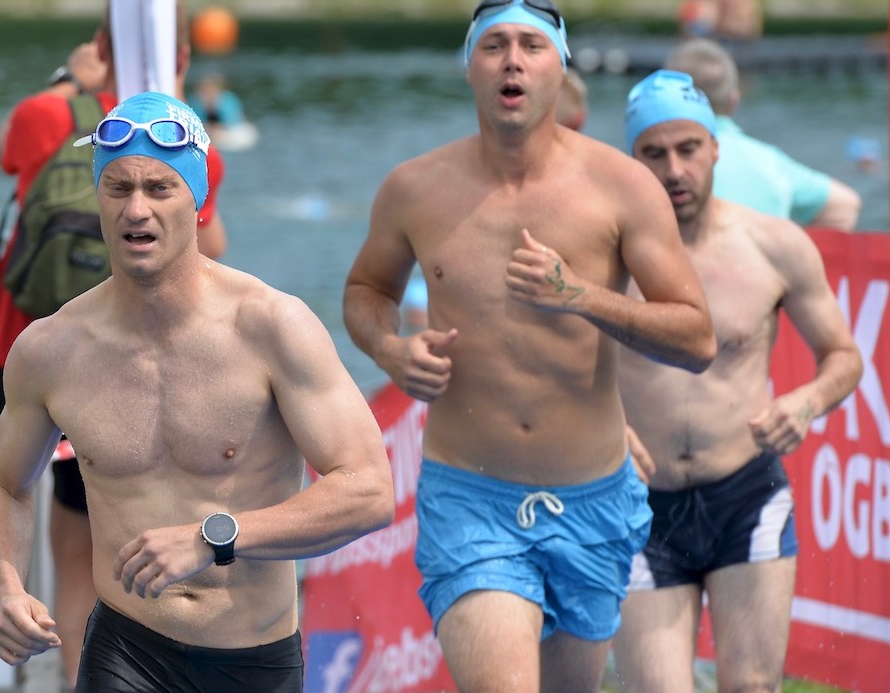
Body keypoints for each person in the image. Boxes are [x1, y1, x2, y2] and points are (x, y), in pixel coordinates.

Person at [342, 2, 717, 691]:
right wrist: (390, 350)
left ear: (559, 65)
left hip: (594, 497)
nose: (512, 59)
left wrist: (581, 295)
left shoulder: (622, 186)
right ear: (471, 68)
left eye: (531, 45)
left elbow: (696, 337)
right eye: (494, 46)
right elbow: (366, 290)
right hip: (471, 499)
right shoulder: (415, 188)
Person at [0, 90, 394, 693]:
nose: (135, 209)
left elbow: (370, 490)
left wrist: (213, 537)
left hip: (253, 659)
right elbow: (6, 487)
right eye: (117, 188)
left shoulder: (272, 327)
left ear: (196, 199)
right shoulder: (50, 349)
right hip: (126, 650)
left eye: (158, 188)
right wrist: (7, 590)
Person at [0, 3, 227, 691]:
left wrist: (69, 80)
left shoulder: (49, 117)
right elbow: (211, 248)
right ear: (179, 59)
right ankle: (75, 678)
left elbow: (1, 143)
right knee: (79, 542)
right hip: (117, 367)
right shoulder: (188, 142)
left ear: (101, 44)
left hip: (11, 353)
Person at [613, 69, 863, 693]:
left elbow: (843, 355)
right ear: (633, 159)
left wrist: (807, 400)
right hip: (641, 505)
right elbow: (552, 366)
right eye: (654, 154)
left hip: (746, 495)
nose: (674, 170)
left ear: (716, 147)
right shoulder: (607, 260)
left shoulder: (775, 247)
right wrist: (607, 431)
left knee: (753, 686)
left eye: (688, 149)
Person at [666, 37, 862, 231]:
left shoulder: (653, 167)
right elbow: (845, 206)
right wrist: (796, 254)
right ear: (734, 99)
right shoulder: (771, 162)